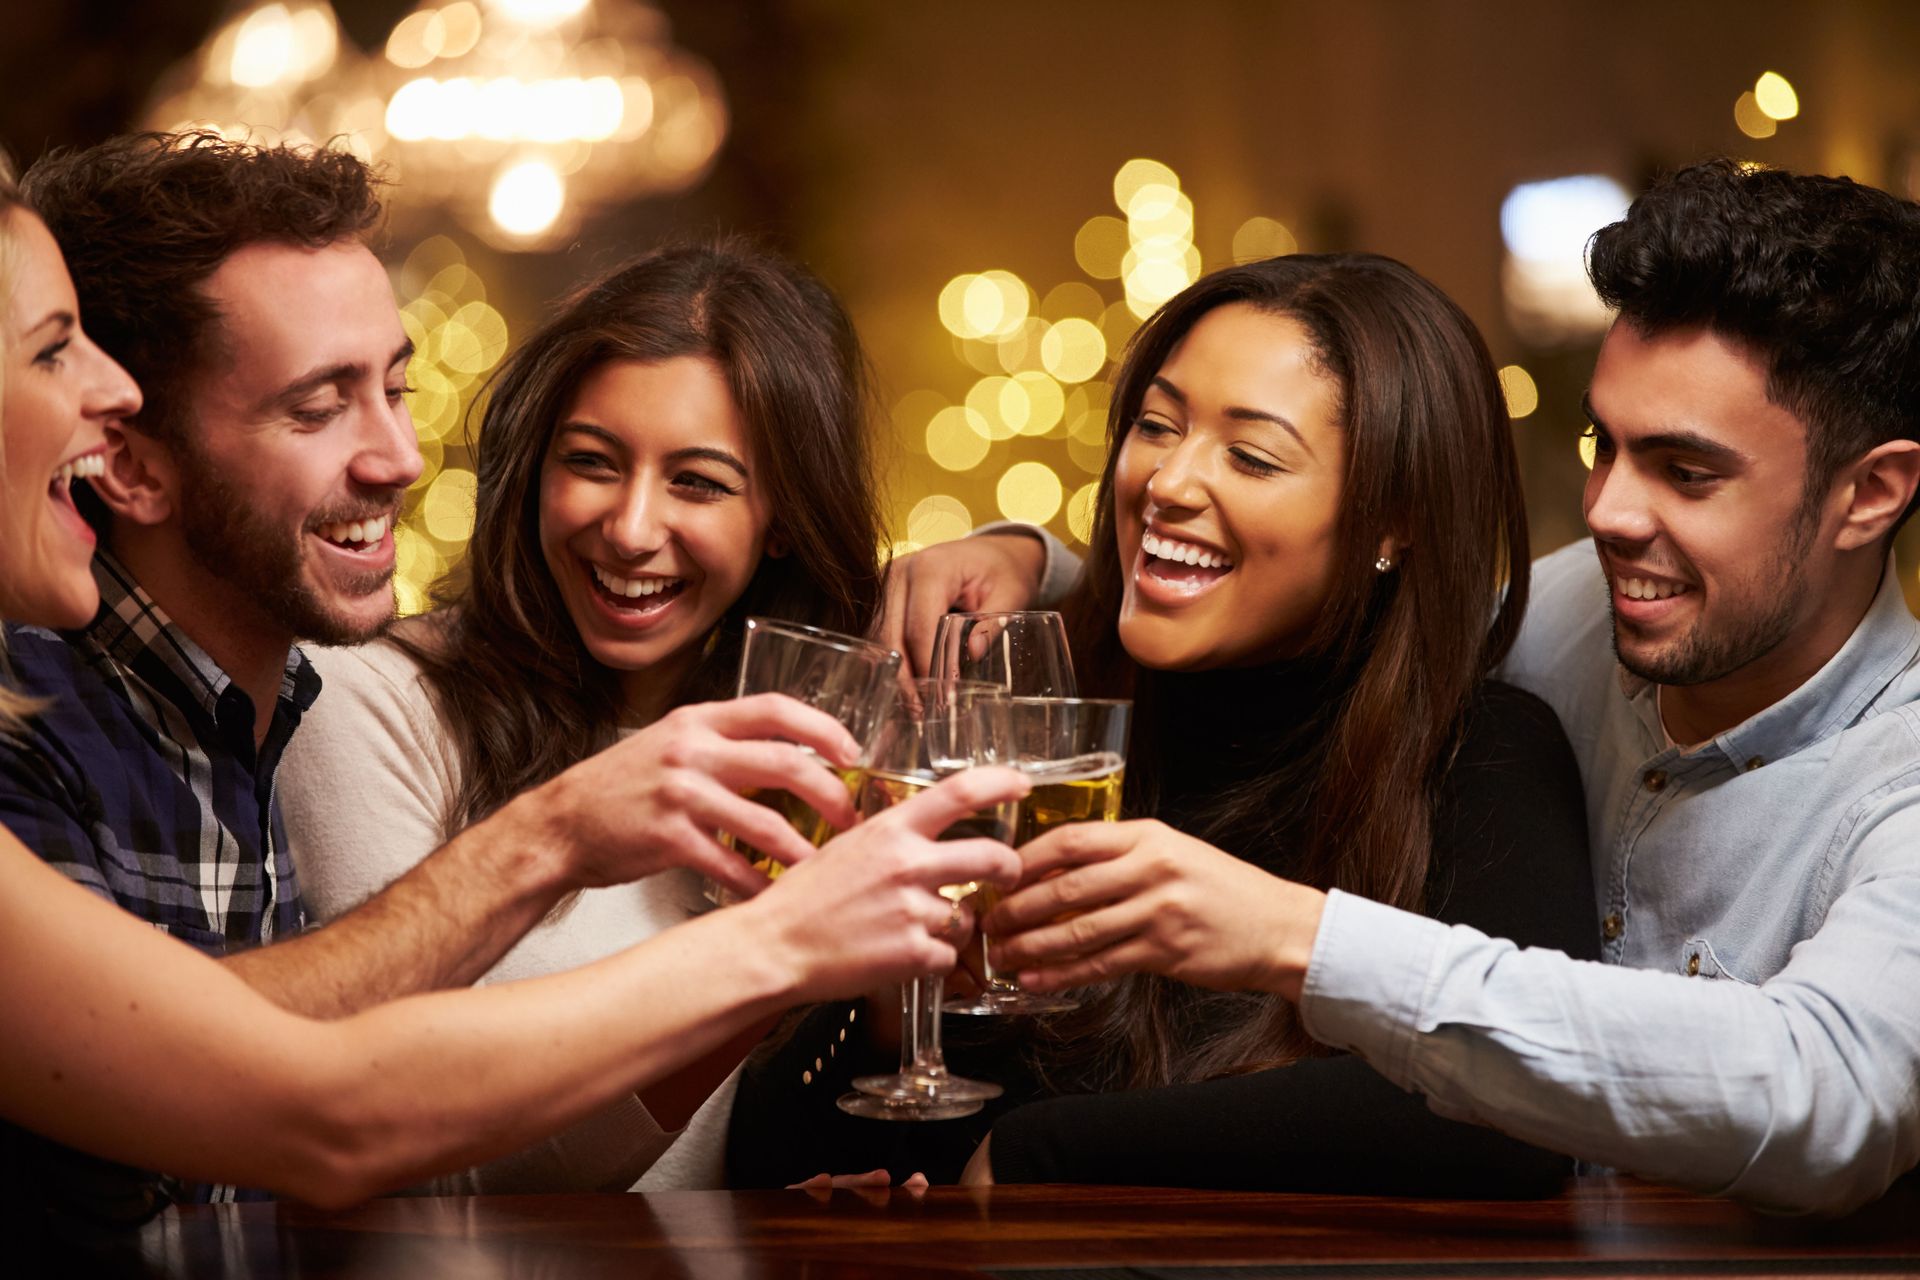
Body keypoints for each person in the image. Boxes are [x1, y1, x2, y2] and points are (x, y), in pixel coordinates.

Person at [0, 146, 1026, 1241]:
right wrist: (604, 853)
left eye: (393, 387)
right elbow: (322, 1114)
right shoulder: (68, 718)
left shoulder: (257, 702)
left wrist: (1025, 553)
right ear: (137, 468)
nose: (401, 457)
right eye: (317, 407)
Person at [889, 160, 1920, 1215]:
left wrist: (1300, 936)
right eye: (1599, 444)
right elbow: (1338, 600)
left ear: (1870, 492)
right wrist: (1033, 572)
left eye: (1686, 471)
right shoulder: (1584, 610)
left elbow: (1827, 1093)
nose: (1608, 510)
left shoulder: (1903, 781)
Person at [727, 253, 1597, 1195]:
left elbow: (1521, 1115)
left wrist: (1048, 1155)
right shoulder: (1030, 730)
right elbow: (772, 1159)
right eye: (1156, 425)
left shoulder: (1480, 756)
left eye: (1251, 456)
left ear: (1395, 519)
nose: (1168, 482)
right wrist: (890, 1006)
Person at [278, 240, 888, 1191]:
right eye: (593, 463)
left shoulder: (812, 746)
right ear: (532, 474)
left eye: (698, 482)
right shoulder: (371, 699)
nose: (632, 528)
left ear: (781, 520)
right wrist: (758, 971)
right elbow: (424, 1174)